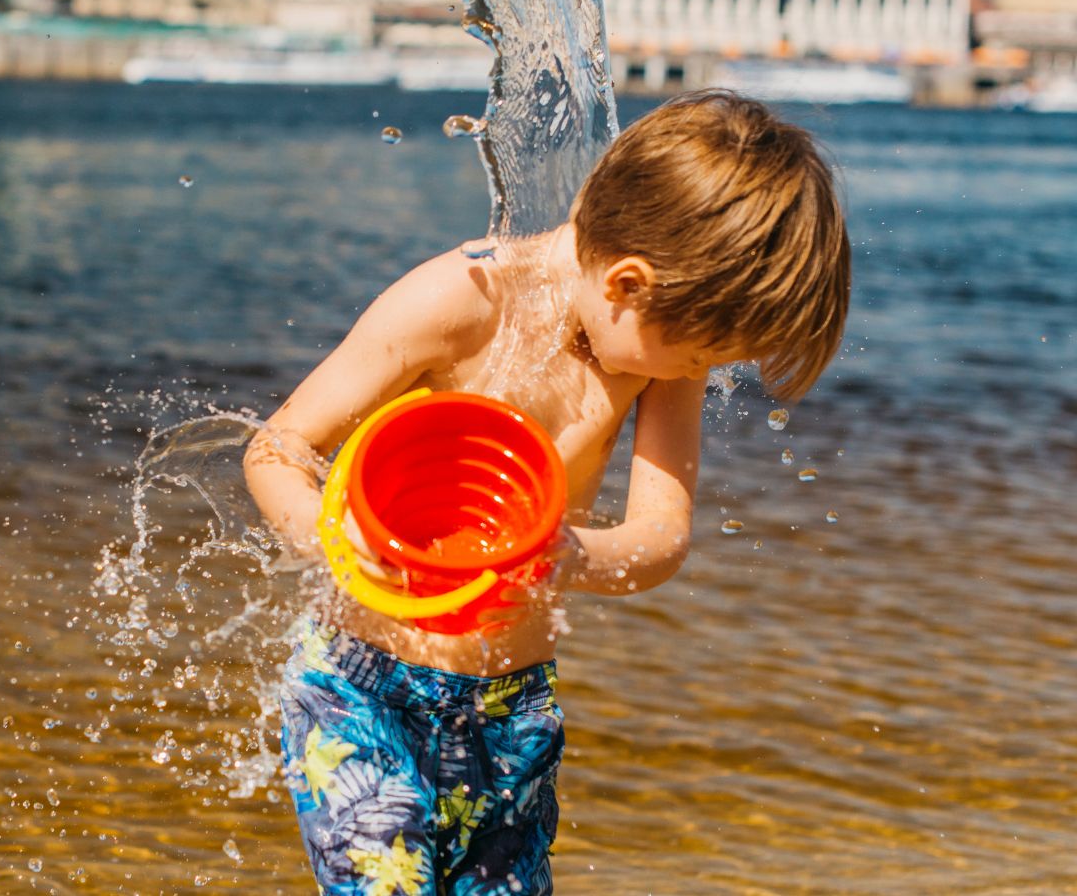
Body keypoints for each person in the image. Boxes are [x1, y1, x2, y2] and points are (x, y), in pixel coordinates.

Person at [243, 89, 852, 895]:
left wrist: (572, 554)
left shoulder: (657, 352)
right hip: (363, 686)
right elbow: (278, 449)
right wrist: (329, 536)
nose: (704, 373)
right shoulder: (458, 301)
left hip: (512, 709)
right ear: (628, 285)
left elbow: (661, 538)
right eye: (704, 354)